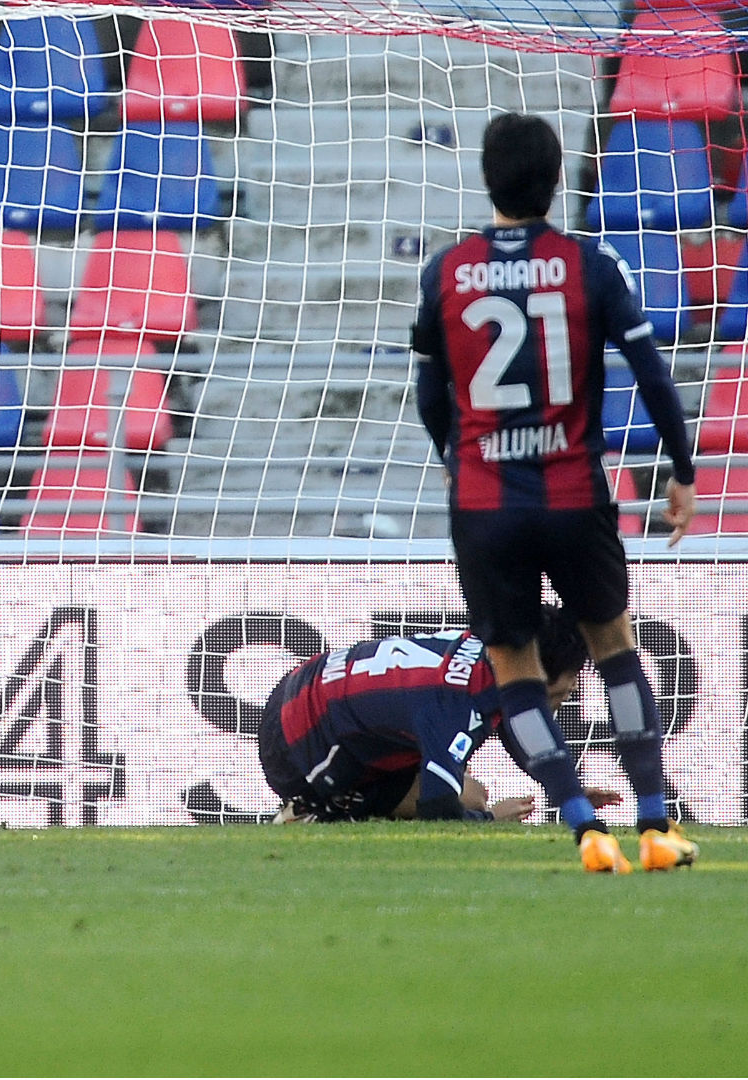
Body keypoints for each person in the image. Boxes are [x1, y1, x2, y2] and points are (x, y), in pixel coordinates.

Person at [412, 112, 700, 872]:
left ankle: (581, 824)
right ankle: (654, 822)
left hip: (484, 504)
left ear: (485, 176)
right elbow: (652, 376)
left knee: (515, 668)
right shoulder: (591, 265)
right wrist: (682, 470)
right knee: (614, 649)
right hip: (573, 494)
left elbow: (429, 391)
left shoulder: (446, 271)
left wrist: (453, 454)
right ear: (557, 176)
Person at [260, 608, 617, 824]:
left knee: (464, 787)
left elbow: (514, 720)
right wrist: (490, 819)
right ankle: (320, 808)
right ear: (535, 674)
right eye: (562, 688)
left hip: (298, 687)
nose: (567, 693)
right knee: (469, 799)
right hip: (295, 748)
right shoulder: (456, 706)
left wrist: (565, 787)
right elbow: (439, 808)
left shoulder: (490, 652)